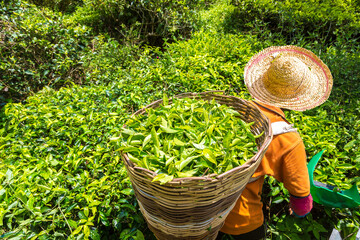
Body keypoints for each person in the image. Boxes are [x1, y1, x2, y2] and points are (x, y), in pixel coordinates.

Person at [217, 45, 333, 240]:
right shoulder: (287, 137)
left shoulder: (236, 110)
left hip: (203, 212)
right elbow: (301, 196)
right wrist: (300, 211)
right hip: (241, 219)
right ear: (298, 97)